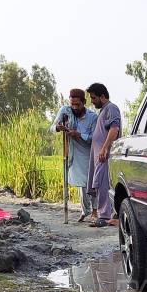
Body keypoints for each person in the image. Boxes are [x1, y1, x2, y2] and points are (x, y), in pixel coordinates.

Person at [51, 88, 100, 221]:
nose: (74, 107)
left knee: (89, 182)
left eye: (77, 104)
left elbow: (94, 138)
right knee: (80, 183)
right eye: (72, 104)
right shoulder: (65, 111)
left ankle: (95, 211)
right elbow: (52, 127)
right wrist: (58, 127)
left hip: (87, 152)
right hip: (71, 150)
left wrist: (79, 134)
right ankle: (85, 211)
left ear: (84, 102)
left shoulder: (92, 117)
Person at [86, 83, 122, 228]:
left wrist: (104, 148)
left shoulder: (111, 108)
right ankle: (106, 214)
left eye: (94, 98)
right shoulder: (103, 111)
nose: (92, 101)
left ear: (102, 96)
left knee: (102, 183)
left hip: (104, 154)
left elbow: (114, 129)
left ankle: (104, 216)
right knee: (100, 183)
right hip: (98, 154)